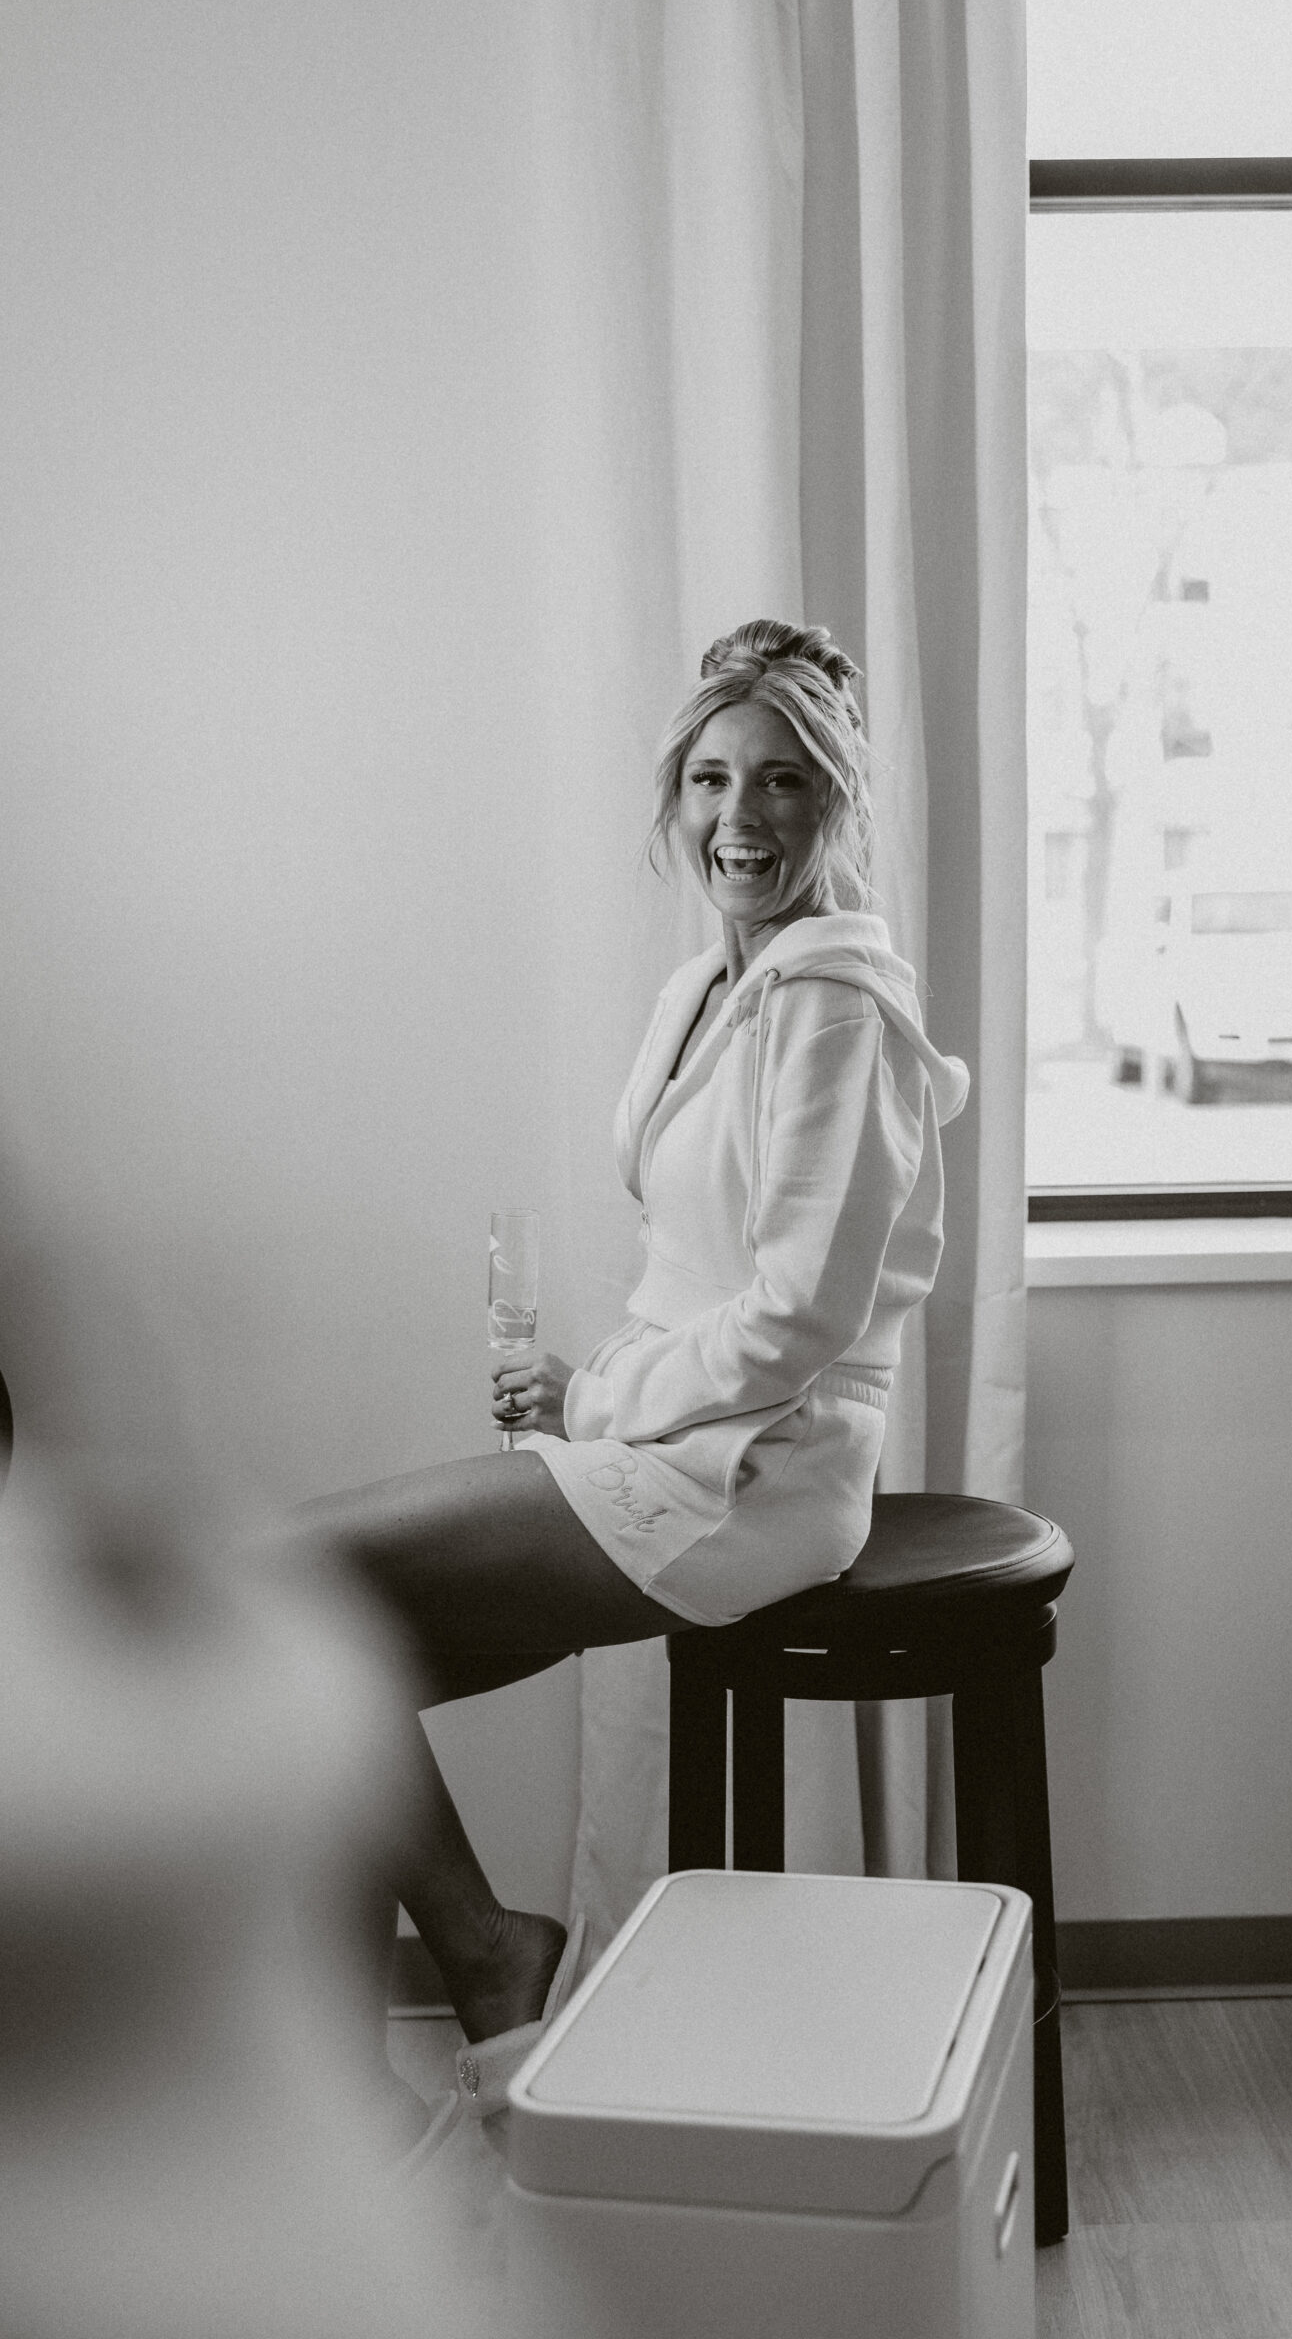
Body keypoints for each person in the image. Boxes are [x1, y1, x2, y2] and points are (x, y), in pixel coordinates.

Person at [277, 618, 968, 2163]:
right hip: (666, 1431)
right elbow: (706, 1264)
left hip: (758, 1474)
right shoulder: (704, 990)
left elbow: (796, 1320)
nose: (744, 816)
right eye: (715, 778)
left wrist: (597, 1396)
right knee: (310, 1647)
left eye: (786, 782)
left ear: (838, 806)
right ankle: (381, 2055)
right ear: (675, 801)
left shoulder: (837, 1003)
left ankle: (477, 1969)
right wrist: (592, 1389)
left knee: (279, 1591)